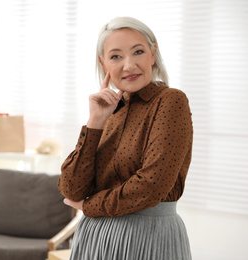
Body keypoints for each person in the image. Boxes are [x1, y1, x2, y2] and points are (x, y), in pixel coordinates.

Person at [58, 16, 193, 260]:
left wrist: (90, 206)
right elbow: (71, 189)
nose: (128, 65)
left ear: (153, 53)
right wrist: (94, 122)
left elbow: (152, 185)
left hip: (148, 237)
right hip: (94, 236)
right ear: (104, 63)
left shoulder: (171, 101)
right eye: (116, 56)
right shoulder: (108, 110)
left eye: (138, 52)